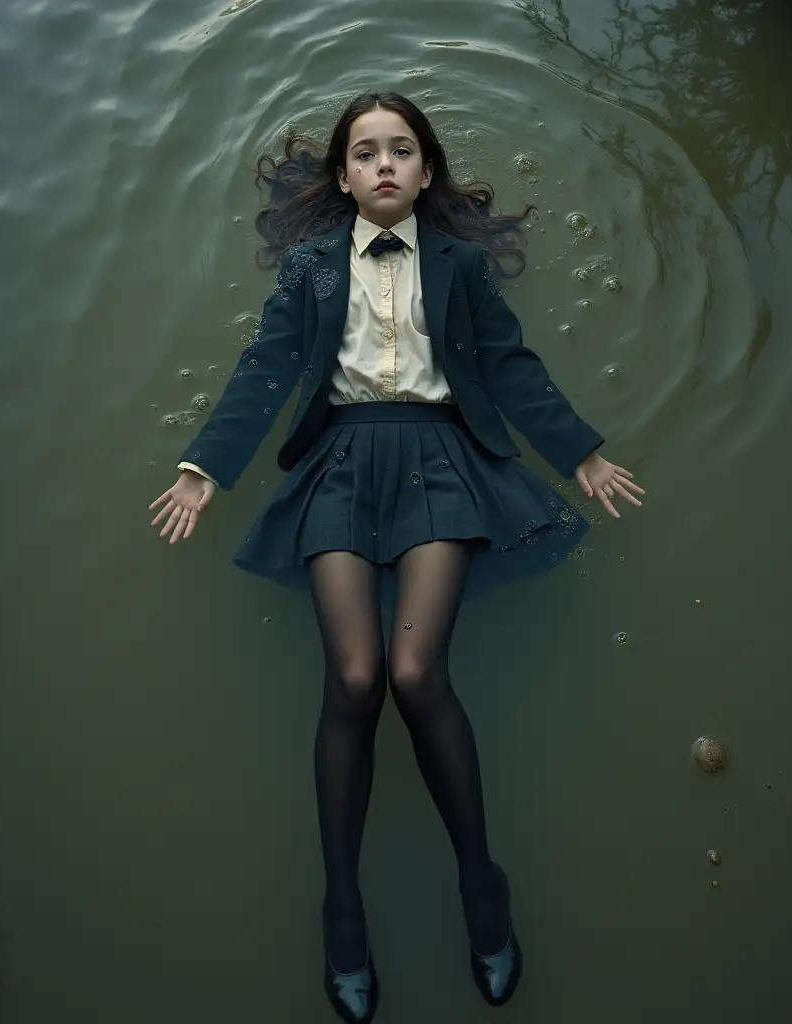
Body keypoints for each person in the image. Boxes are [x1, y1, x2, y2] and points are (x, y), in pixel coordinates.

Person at [148, 91, 644, 1022]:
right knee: (354, 677)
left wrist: (579, 449)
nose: (383, 163)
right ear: (343, 176)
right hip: (338, 463)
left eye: (401, 150)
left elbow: (507, 364)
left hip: (442, 460)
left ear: (425, 171)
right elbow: (264, 367)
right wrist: (202, 468)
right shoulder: (309, 267)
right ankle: (344, 904)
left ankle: (480, 885)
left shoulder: (459, 266)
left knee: (417, 672)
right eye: (365, 152)